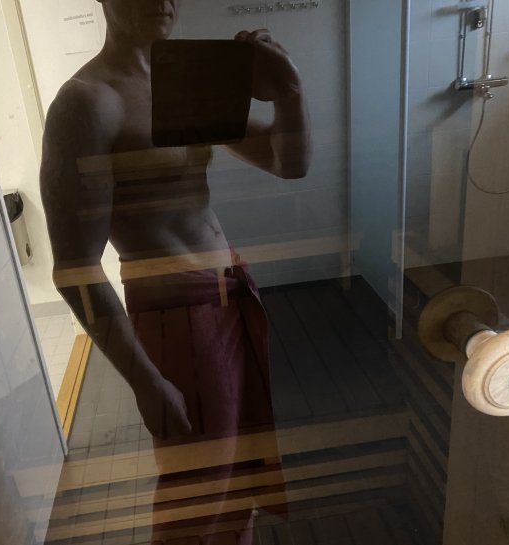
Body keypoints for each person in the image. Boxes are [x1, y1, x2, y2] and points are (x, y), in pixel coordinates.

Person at [40, 0, 310, 542]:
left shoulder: (184, 81)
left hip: (228, 295)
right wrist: (145, 382)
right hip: (176, 315)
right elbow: (75, 268)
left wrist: (289, 92)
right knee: (199, 490)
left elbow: (288, 162)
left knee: (239, 471)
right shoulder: (88, 102)